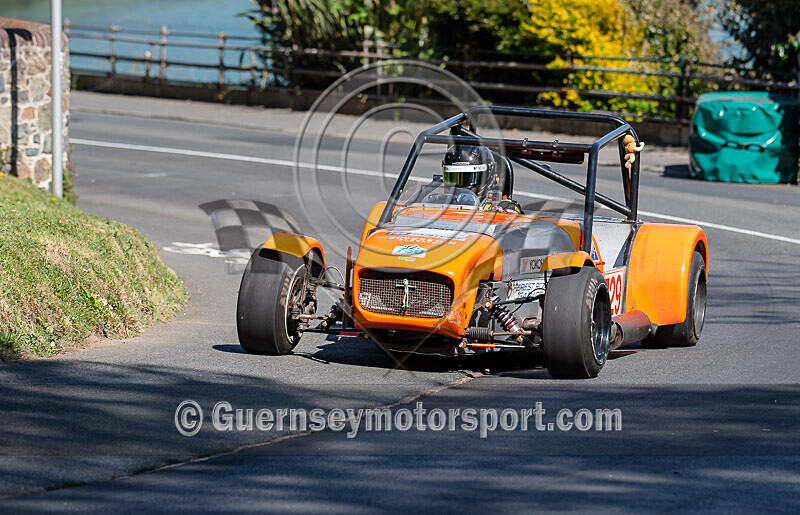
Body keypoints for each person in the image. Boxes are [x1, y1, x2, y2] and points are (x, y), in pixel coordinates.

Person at [441, 145, 523, 214]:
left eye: (468, 178)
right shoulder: (439, 202)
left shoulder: (504, 207)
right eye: (453, 178)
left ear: (490, 177)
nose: (460, 186)